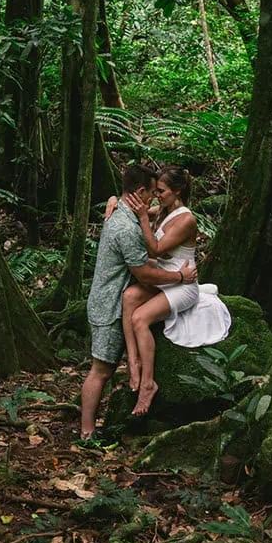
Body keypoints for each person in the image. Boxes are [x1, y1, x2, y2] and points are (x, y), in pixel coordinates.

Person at [79, 163, 195, 441]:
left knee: (104, 367)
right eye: (152, 192)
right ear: (140, 192)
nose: (155, 198)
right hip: (108, 305)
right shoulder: (128, 227)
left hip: (116, 298)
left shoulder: (127, 212)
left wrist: (113, 201)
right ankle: (86, 433)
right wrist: (179, 276)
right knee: (101, 370)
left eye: (161, 192)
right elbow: (144, 272)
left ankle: (137, 373)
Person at [113, 166, 199, 416]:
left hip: (182, 285)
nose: (156, 195)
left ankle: (148, 385)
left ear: (177, 191)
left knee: (140, 318)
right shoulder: (164, 210)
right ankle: (133, 361)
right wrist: (112, 201)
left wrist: (142, 219)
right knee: (129, 297)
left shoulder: (186, 219)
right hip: (166, 278)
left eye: (160, 191)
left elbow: (157, 249)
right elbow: (132, 208)